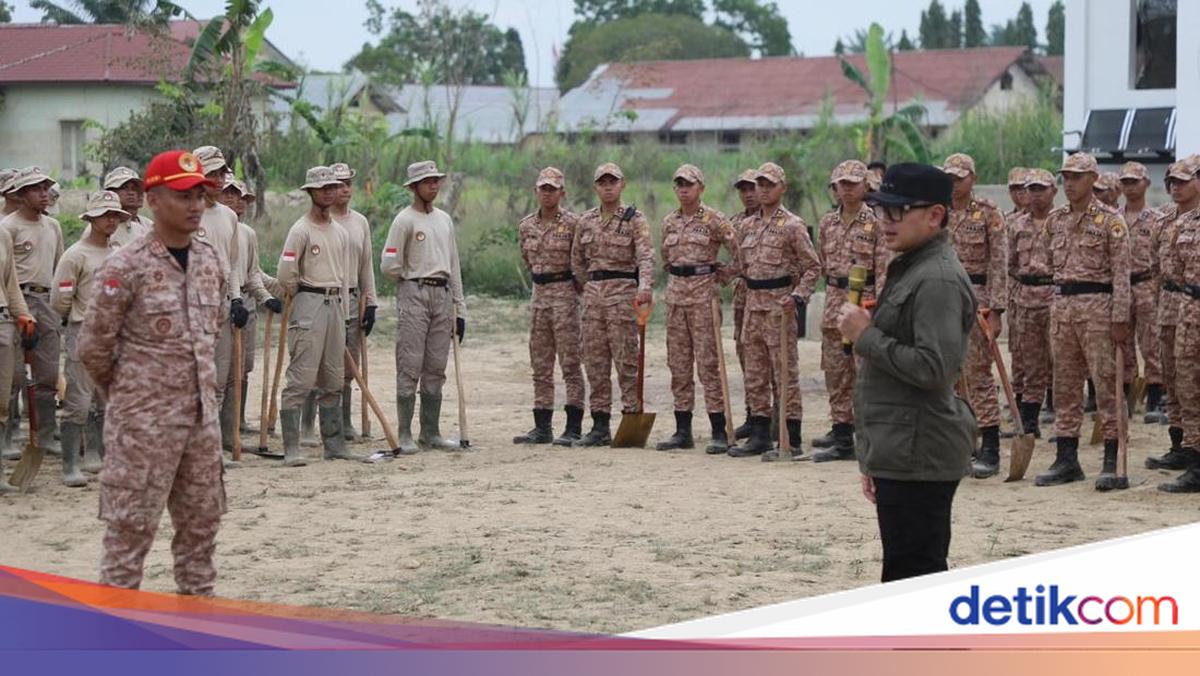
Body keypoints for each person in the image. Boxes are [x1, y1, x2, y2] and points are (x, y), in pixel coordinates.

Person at [78, 149, 228, 595]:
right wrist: (130, 401)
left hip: (201, 427)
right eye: (183, 195)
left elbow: (211, 332)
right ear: (153, 198)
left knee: (201, 538)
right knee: (128, 541)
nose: (195, 205)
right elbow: (93, 348)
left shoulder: (211, 262)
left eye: (200, 194)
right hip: (141, 431)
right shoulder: (126, 267)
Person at [838, 163, 976, 583]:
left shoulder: (935, 278)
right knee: (904, 572)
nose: (885, 222)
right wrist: (874, 456)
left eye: (897, 211)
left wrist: (866, 336)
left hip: (920, 450)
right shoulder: (913, 266)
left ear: (934, 215)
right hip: (902, 448)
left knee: (913, 574)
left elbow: (934, 368)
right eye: (881, 210)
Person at [1033, 152, 1131, 491]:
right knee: (1064, 385)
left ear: (1093, 179)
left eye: (1076, 177)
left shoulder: (1110, 221)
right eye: (1066, 176)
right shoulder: (1055, 221)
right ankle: (1066, 458)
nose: (1069, 183)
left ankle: (1111, 459)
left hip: (1099, 310)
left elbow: (1121, 274)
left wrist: (1120, 317)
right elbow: (1047, 261)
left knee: (1106, 385)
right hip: (1063, 309)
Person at [727, 162, 820, 460]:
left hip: (779, 308)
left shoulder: (792, 225)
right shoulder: (747, 225)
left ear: (783, 188)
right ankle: (759, 433)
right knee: (754, 373)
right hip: (752, 306)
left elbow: (812, 267)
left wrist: (798, 296)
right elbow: (740, 266)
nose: (763, 190)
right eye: (759, 185)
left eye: (770, 184)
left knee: (784, 374)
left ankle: (790, 438)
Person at [381, 161, 467, 453]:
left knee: (436, 365)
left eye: (436, 180)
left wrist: (460, 307)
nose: (434, 185)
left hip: (442, 294)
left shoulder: (444, 220)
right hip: (414, 292)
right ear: (414, 187)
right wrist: (410, 277)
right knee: (410, 362)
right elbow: (389, 264)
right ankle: (404, 433)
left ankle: (430, 432)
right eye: (427, 181)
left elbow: (454, 265)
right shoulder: (404, 220)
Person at [275, 166, 359, 466]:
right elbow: (286, 272)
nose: (329, 192)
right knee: (301, 377)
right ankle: (292, 447)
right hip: (309, 301)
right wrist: (297, 292)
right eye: (323, 188)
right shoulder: (300, 230)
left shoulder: (339, 232)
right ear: (310, 192)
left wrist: (346, 311)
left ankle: (334, 444)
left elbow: (347, 273)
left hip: (337, 303)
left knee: (334, 377)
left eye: (333, 187)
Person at [570, 162, 655, 447]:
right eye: (602, 182)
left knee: (626, 361)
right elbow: (576, 262)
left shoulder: (634, 219)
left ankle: (631, 416)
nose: (608, 186)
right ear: (595, 187)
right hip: (593, 298)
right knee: (595, 362)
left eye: (613, 181)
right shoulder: (585, 221)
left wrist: (644, 288)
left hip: (623, 296)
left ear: (622, 184)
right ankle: (599, 425)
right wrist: (590, 286)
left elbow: (645, 257)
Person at [655, 164, 739, 453]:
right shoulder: (669, 222)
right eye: (678, 184)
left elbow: (739, 253)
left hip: (704, 297)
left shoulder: (714, 219)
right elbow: (666, 258)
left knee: (708, 365)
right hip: (677, 296)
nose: (683, 189)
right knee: (678, 364)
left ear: (701, 188)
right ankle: (682, 430)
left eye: (689, 184)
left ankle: (718, 429)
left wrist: (722, 276)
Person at [811, 160, 888, 463]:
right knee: (836, 373)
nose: (846, 188)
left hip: (864, 303)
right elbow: (822, 263)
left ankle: (871, 439)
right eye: (841, 183)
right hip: (834, 302)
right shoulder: (828, 223)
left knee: (865, 372)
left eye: (853, 183)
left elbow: (883, 270)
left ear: (866, 185)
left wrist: (878, 308)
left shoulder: (877, 222)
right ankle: (842, 437)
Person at [51, 191, 127, 487]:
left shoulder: (119, 253)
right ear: (91, 218)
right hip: (84, 331)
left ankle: (103, 456)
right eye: (105, 215)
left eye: (115, 215)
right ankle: (70, 464)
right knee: (78, 401)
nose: (111, 220)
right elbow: (60, 300)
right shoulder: (75, 256)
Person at [941, 153, 1007, 479]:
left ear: (973, 178)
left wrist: (996, 311)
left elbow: (998, 264)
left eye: (959, 177)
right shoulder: (935, 212)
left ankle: (990, 446)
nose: (954, 184)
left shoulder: (988, 213)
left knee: (978, 374)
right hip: (941, 300)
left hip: (976, 299)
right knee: (948, 376)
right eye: (949, 178)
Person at [513, 167, 585, 446]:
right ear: (536, 192)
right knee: (540, 363)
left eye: (553, 189)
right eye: (543, 188)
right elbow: (527, 259)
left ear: (562, 193)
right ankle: (542, 426)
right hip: (539, 295)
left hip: (565, 295)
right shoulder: (526, 225)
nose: (547, 193)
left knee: (570, 362)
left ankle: (573, 426)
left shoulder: (574, 224)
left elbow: (580, 261)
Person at [0, 166, 65, 458]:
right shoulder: (8, 227)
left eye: (45, 189)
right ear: (21, 194)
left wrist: (60, 304)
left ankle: (47, 434)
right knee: (12, 375)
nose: (44, 194)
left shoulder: (53, 227)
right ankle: (10, 434)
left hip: (46, 299)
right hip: (18, 300)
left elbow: (60, 266)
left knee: (48, 372)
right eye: (37, 189)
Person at [191, 146, 248, 458]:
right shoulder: (186, 211)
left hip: (223, 305)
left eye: (220, 173)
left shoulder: (228, 216)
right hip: (193, 306)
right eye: (210, 173)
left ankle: (215, 445)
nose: (216, 179)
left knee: (221, 380)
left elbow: (234, 262)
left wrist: (237, 298)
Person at [215, 179, 282, 438]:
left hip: (246, 302)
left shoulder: (248, 234)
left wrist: (269, 297)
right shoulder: (213, 226)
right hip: (223, 301)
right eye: (230, 194)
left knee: (243, 367)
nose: (237, 200)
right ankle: (220, 432)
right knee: (222, 370)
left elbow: (253, 274)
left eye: (242, 196)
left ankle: (236, 424)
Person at [1147, 156, 1200, 478]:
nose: (1175, 187)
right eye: (1171, 182)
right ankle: (1181, 446)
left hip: (1190, 305)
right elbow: (1158, 265)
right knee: (1176, 379)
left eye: (1182, 181)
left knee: (1192, 382)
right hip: (1174, 305)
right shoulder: (1167, 220)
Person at [1007, 169, 1057, 437]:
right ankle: (1030, 421)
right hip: (1026, 300)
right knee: (1032, 363)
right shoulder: (1016, 226)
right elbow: (1011, 265)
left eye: (1041, 189)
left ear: (1054, 192)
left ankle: (1064, 416)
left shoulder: (1063, 222)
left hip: (1056, 298)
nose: (1035, 195)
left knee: (1063, 362)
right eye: (1031, 189)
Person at [1118, 161, 1164, 420]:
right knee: (1122, 342)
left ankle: (1156, 398)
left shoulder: (1157, 219)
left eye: (1134, 182)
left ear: (1146, 183)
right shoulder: (1114, 217)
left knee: (1151, 342)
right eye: (1125, 182)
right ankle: (1127, 396)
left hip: (1147, 284)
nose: (1130, 187)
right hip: (1122, 286)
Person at [0, 203, 36, 492]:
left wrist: (24, 315)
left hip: (2, 322)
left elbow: (11, 284)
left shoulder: (3, 235)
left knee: (1, 400)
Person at [729, 168, 760, 441]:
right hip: (742, 297)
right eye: (743, 190)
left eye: (752, 188)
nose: (748, 195)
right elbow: (732, 263)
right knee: (746, 356)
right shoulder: (735, 223)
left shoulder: (782, 222)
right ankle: (754, 414)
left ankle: (779, 416)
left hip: (770, 298)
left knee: (771, 358)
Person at [102, 166, 153, 247]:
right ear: (110, 192)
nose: (131, 193)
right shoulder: (102, 226)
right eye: (124, 187)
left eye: (135, 188)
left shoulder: (149, 225)